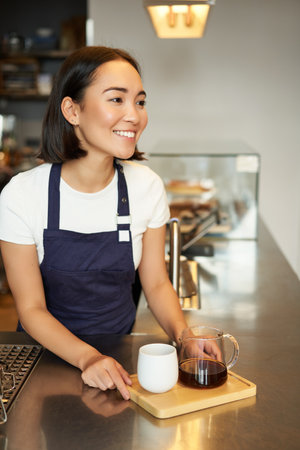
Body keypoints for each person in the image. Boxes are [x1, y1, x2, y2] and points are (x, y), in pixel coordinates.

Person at [0, 46, 220, 400]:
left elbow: (156, 282)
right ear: (72, 110)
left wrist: (185, 335)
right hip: (42, 360)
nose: (133, 115)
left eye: (141, 102)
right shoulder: (23, 195)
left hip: (118, 358)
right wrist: (87, 357)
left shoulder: (146, 186)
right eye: (116, 99)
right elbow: (31, 309)